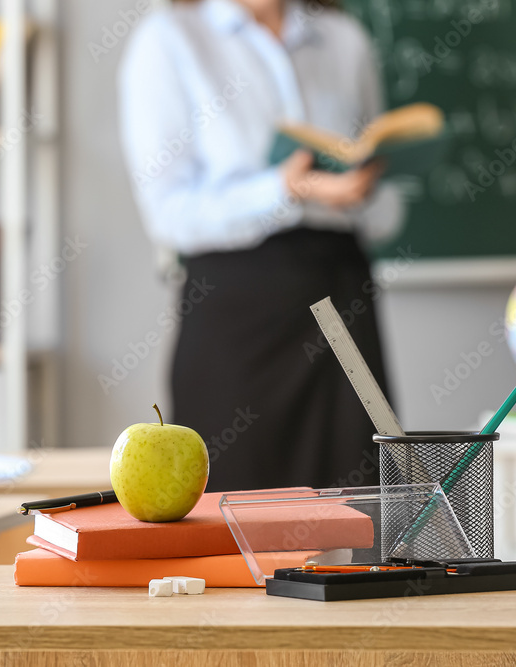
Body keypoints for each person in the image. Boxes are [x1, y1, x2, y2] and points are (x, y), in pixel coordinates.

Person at [118, 0, 404, 491]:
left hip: (341, 293)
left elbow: (383, 199)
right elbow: (168, 214)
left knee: (361, 513)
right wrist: (285, 189)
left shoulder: (342, 37)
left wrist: (364, 190)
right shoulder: (169, 38)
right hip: (236, 308)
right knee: (234, 514)